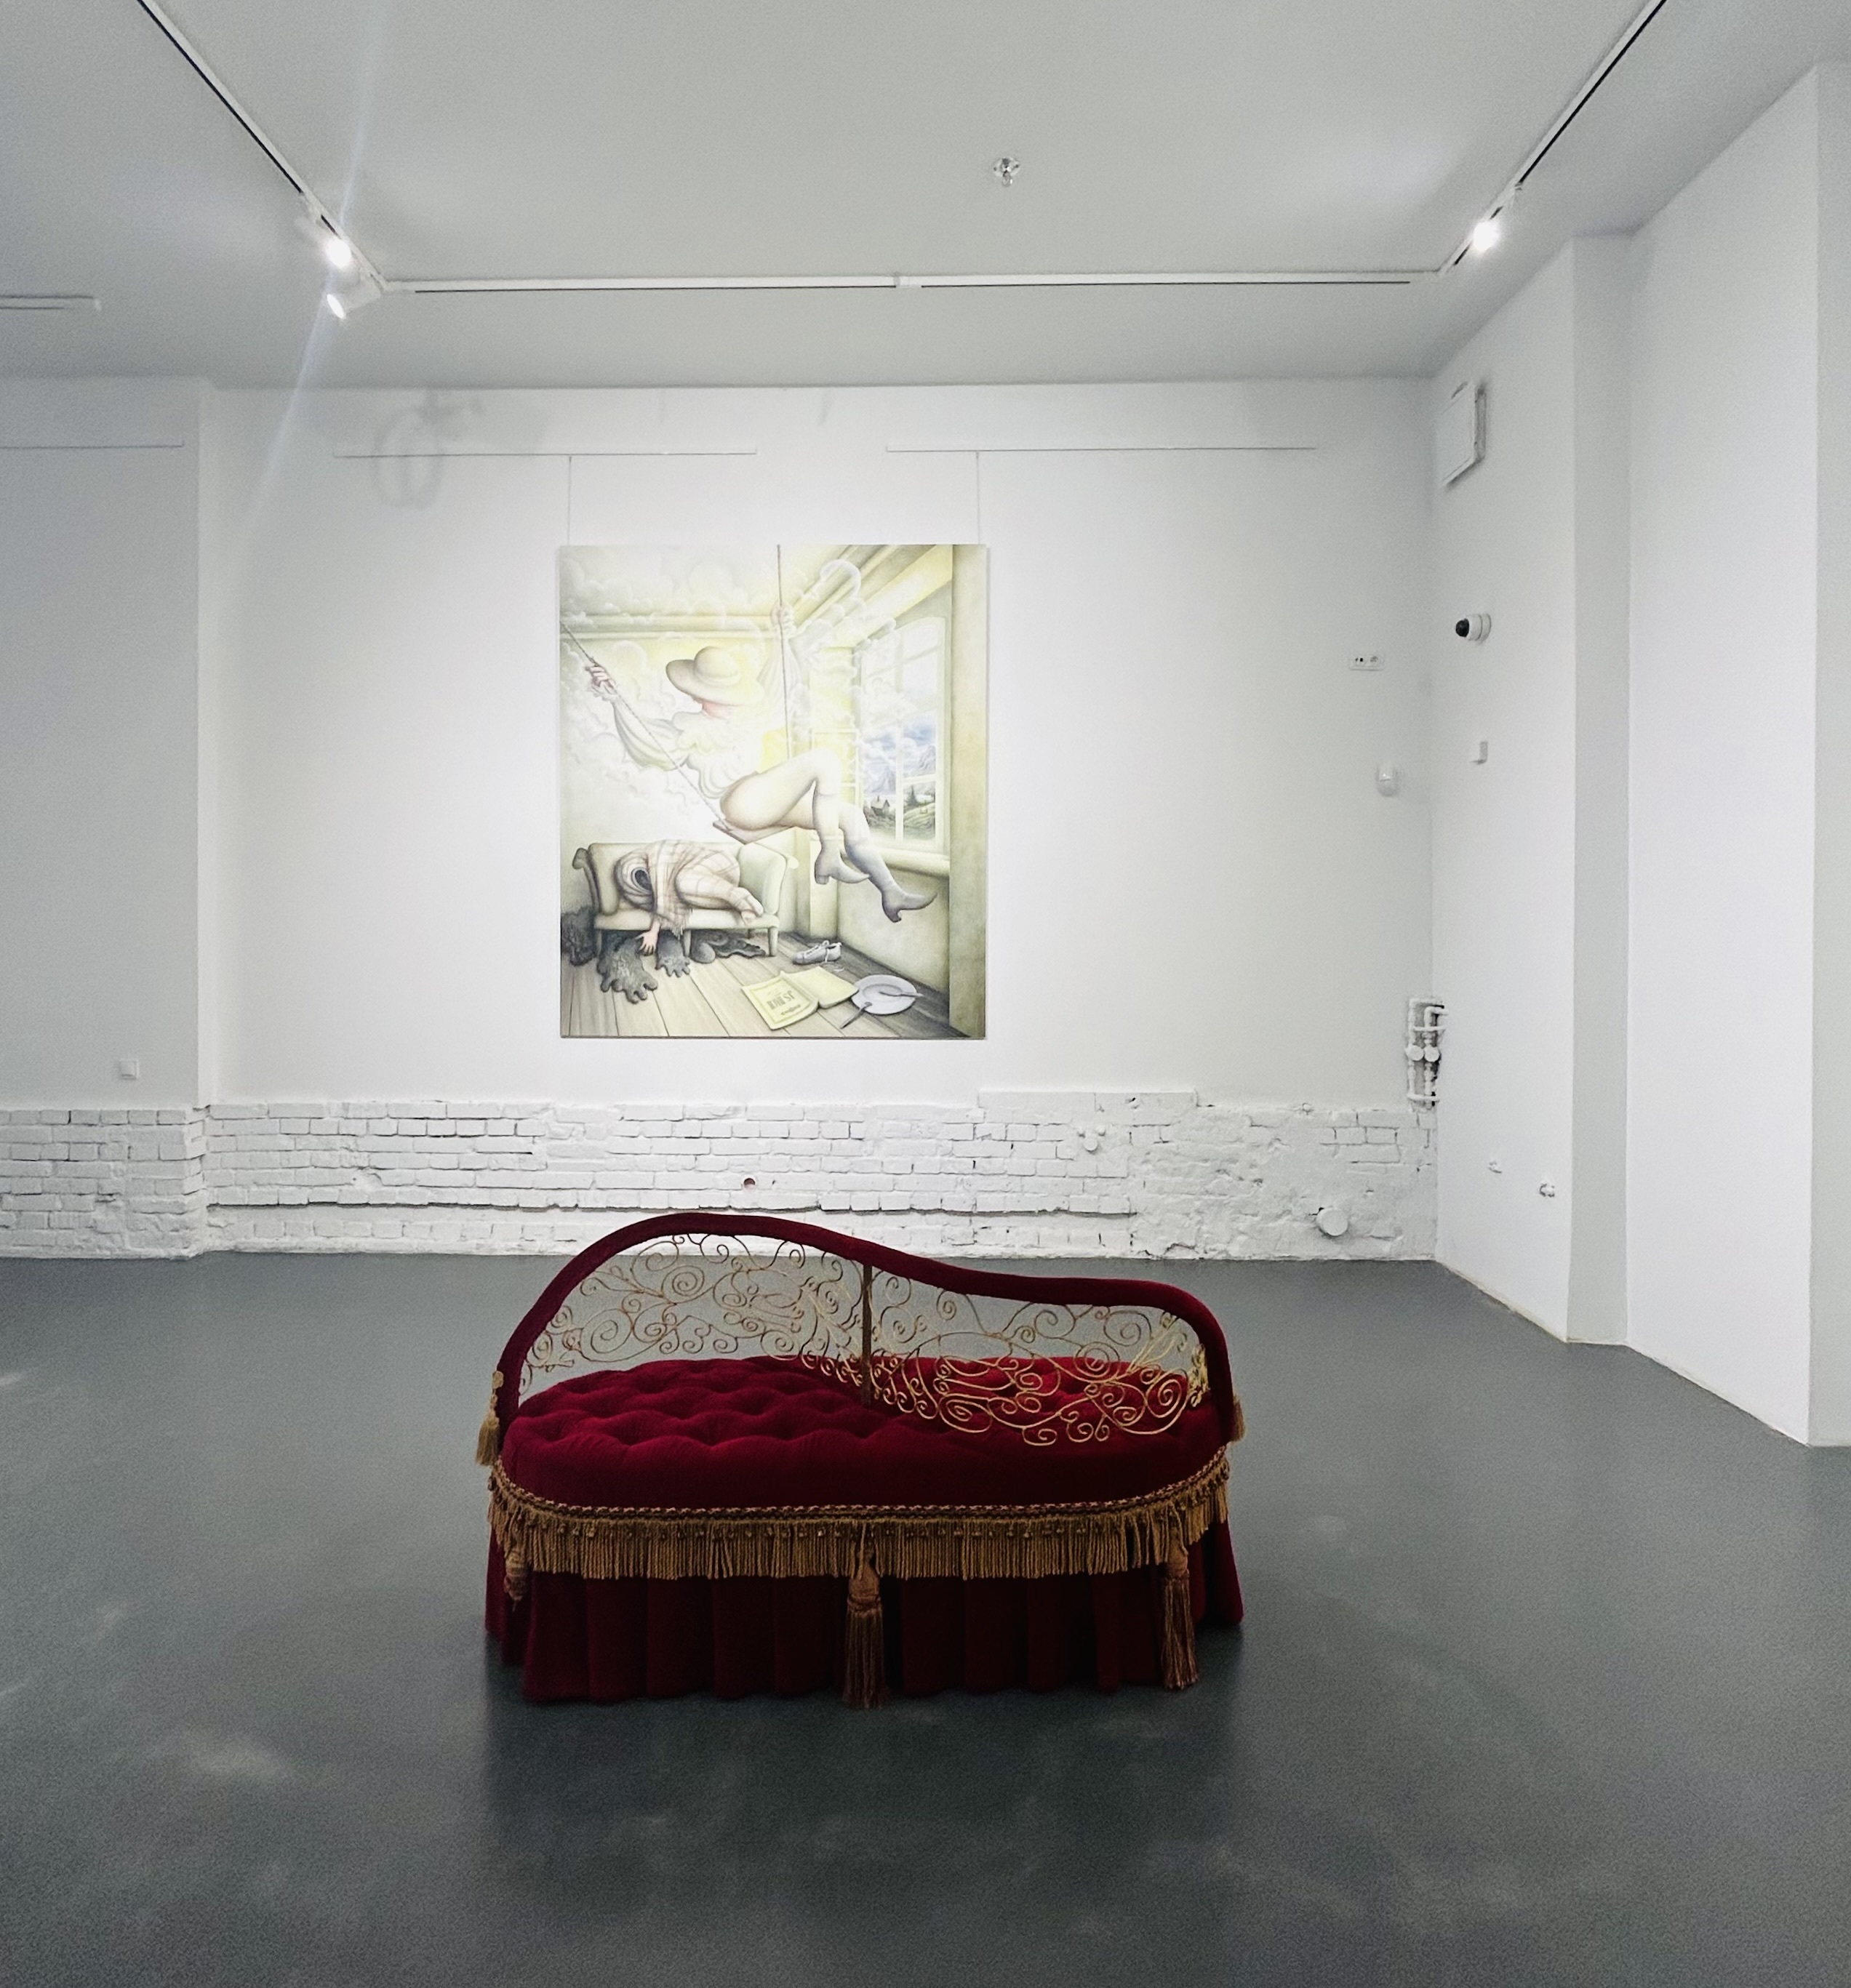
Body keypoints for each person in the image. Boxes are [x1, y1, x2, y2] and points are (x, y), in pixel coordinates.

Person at [584, 644, 933, 923]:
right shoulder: (689, 728)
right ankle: (829, 855)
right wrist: (615, 697)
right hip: (741, 798)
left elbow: (774, 684)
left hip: (760, 799)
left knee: (851, 817)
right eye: (719, 695)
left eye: (732, 693)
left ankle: (890, 891)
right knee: (824, 760)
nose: (731, 702)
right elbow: (646, 737)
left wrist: (783, 634)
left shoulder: (747, 718)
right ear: (697, 695)